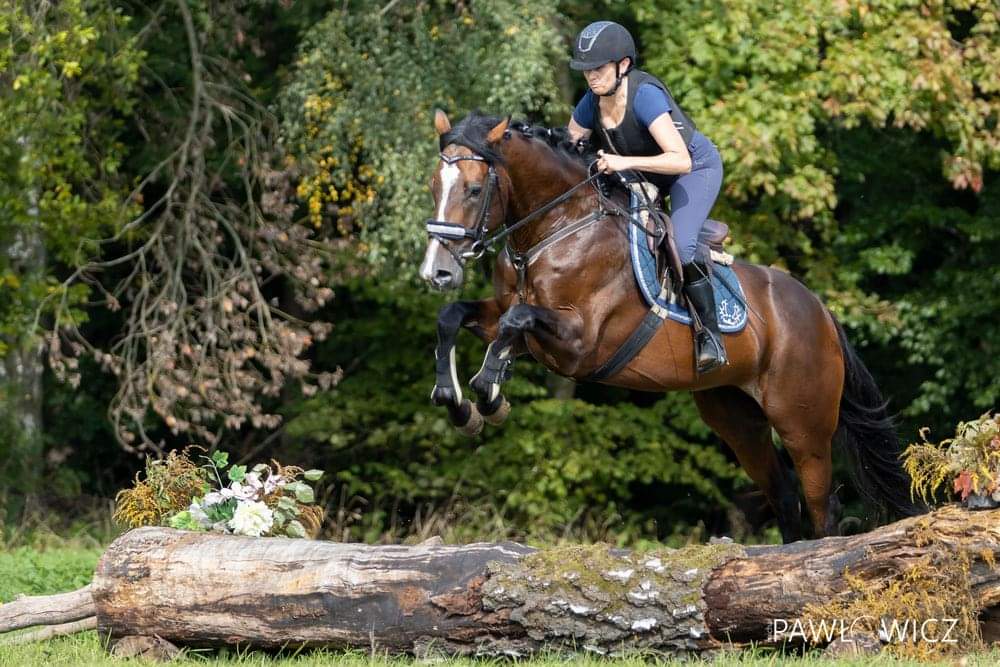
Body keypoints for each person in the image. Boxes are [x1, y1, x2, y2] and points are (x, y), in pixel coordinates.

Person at [566, 20, 726, 375]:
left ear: (623, 65)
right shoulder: (590, 103)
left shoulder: (645, 96)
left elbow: (679, 159)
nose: (591, 77)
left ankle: (710, 335)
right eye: (586, 70)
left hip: (692, 169)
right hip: (646, 177)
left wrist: (623, 161)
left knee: (681, 246)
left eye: (598, 69)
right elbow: (570, 143)